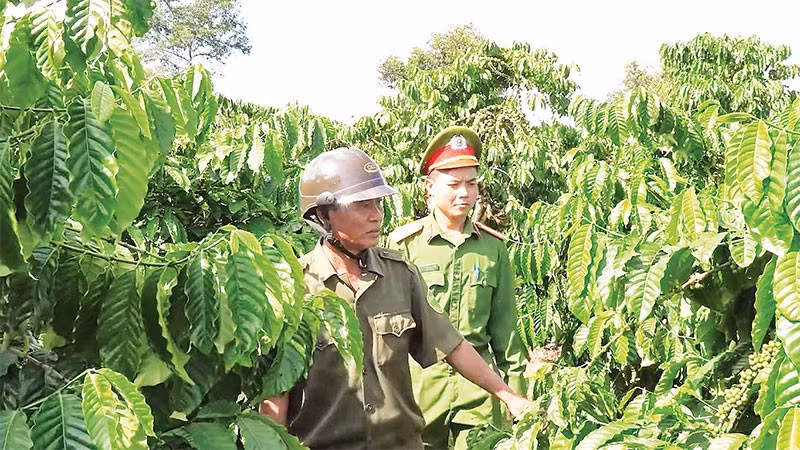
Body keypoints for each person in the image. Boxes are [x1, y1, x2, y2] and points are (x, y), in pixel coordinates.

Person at [260, 147, 530, 450]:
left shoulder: (400, 275)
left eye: (378, 203)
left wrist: (509, 396)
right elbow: (276, 392)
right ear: (323, 214)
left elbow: (451, 345)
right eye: (362, 205)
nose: (376, 215)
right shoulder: (295, 285)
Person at [388, 127, 528, 450]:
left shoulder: (493, 249)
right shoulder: (404, 246)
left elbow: (507, 334)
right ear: (429, 188)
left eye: (472, 183)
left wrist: (516, 397)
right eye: (453, 184)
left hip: (478, 389)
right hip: (421, 386)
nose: (464, 193)